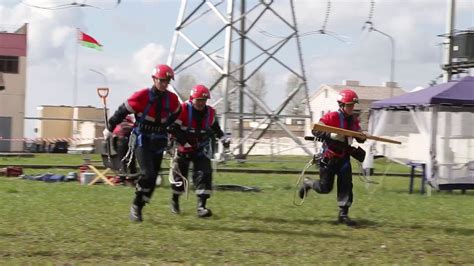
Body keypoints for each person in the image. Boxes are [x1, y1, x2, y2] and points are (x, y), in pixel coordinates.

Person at [103, 64, 181, 222]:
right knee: (148, 174)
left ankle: (140, 204)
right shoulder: (141, 96)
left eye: (168, 81)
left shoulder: (172, 99)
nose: (165, 84)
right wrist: (110, 127)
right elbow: (121, 111)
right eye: (162, 80)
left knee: (152, 180)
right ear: (154, 79)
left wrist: (169, 127)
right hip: (142, 141)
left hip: (159, 142)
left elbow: (178, 113)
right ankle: (136, 206)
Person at [299, 89, 366, 226]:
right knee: (325, 188)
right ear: (341, 105)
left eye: (353, 105)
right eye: (349, 105)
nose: (351, 108)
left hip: (344, 158)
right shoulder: (331, 117)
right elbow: (316, 129)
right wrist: (330, 135)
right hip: (329, 157)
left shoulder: (353, 121)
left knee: (346, 185)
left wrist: (361, 136)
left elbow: (358, 136)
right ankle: (308, 183)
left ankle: (343, 214)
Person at [168, 84, 224, 218]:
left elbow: (215, 127)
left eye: (203, 100)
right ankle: (175, 200)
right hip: (182, 148)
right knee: (179, 179)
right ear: (192, 99)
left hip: (200, 148)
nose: (201, 103)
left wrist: (223, 138)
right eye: (198, 100)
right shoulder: (183, 110)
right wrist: (183, 142)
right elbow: (172, 128)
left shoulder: (210, 112)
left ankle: (201, 207)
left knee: (205, 173)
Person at [112, 115, 137, 183]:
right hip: (131, 143)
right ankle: (133, 177)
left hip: (121, 142)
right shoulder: (132, 126)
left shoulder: (119, 126)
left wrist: (115, 149)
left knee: (122, 160)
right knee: (132, 160)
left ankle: (122, 177)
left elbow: (114, 138)